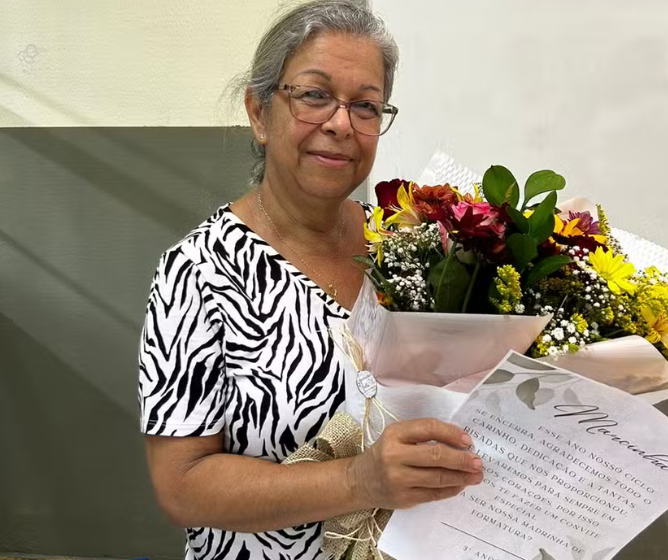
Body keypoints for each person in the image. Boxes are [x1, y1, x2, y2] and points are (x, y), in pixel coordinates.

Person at [138, 1, 484, 558]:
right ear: (258, 113)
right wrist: (360, 481)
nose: (341, 124)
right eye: (315, 95)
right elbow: (182, 484)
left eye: (365, 106)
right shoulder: (198, 272)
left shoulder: (407, 246)